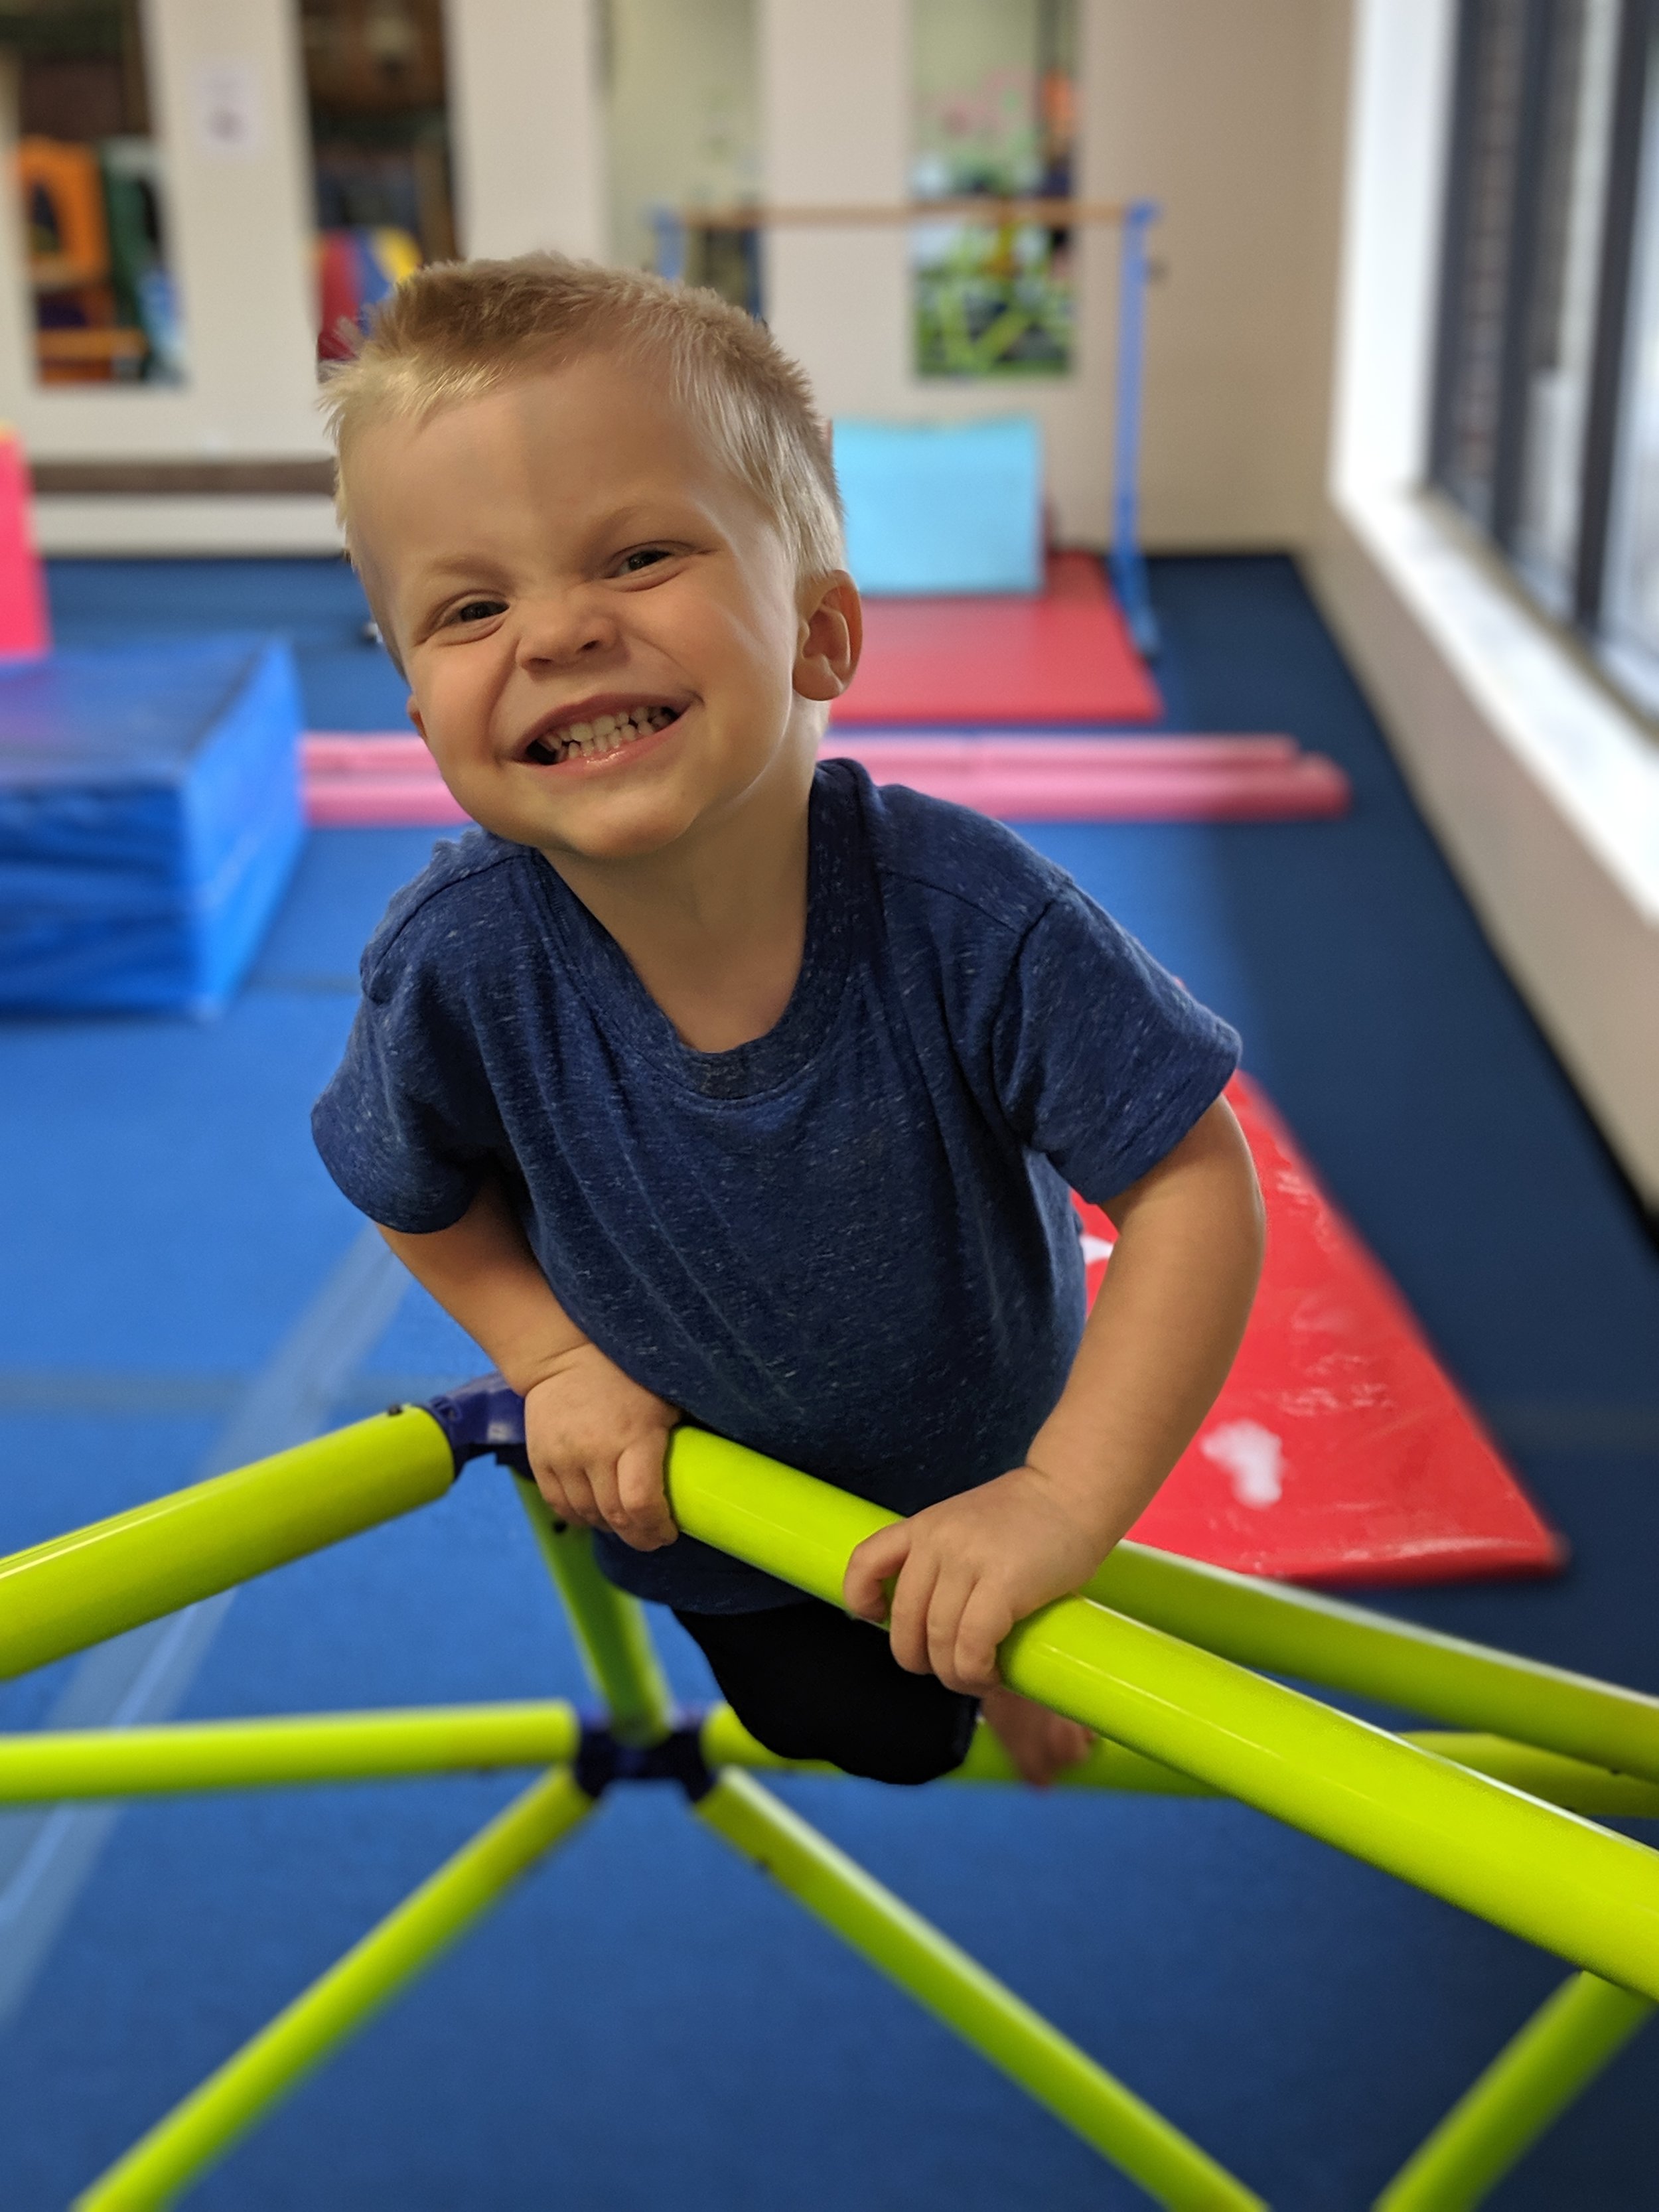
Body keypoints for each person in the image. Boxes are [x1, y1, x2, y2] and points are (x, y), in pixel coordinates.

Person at [311, 254, 1264, 1789]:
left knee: (987, 1633)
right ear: (423, 719)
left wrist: (1057, 1501)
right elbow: (404, 1183)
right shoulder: (458, 959)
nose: (554, 633)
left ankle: (1018, 1629)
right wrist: (552, 1359)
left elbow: (1192, 1182)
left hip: (992, 1445)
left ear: (820, 634)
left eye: (632, 558)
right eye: (473, 604)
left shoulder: (966, 914)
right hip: (713, 1509)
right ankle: (967, 1674)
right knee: (857, 1730)